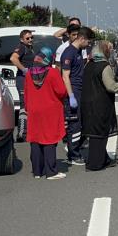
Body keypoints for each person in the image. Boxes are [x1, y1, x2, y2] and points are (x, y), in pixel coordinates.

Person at [81, 40, 118, 171]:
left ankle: (103, 159)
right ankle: (96, 163)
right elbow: (110, 86)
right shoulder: (104, 66)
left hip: (87, 102)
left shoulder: (89, 64)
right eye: (109, 49)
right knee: (100, 133)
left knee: (94, 133)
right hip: (100, 103)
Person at [24, 47, 69, 180]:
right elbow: (61, 91)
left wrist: (27, 108)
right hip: (50, 110)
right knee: (49, 139)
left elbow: (26, 93)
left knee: (35, 139)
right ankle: (51, 171)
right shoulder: (52, 72)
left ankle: (37, 171)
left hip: (34, 110)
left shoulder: (28, 73)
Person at [60, 26, 93, 166]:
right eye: (88, 42)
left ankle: (76, 150)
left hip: (80, 90)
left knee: (80, 124)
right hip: (72, 91)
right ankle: (73, 155)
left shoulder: (79, 51)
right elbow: (65, 76)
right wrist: (71, 96)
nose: (89, 45)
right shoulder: (69, 53)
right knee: (74, 125)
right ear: (82, 38)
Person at [10, 30, 36, 141]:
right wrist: (24, 70)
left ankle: (29, 131)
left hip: (29, 79)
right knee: (24, 106)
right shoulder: (21, 47)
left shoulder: (29, 48)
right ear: (22, 39)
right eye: (27, 38)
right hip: (23, 79)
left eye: (31, 37)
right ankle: (21, 133)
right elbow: (13, 58)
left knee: (29, 106)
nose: (30, 40)